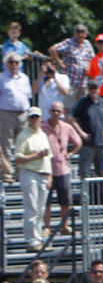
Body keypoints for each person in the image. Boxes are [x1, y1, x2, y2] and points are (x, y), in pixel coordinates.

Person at [14, 107, 51, 250]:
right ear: (28, 119)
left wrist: (49, 175)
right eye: (32, 117)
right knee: (32, 208)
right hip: (29, 173)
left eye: (37, 117)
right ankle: (31, 240)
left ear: (41, 118)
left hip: (42, 173)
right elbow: (17, 158)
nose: (34, 119)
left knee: (41, 208)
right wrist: (36, 155)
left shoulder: (43, 134)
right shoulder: (23, 135)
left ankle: (38, 238)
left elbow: (49, 157)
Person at [41, 102, 81, 234]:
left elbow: (78, 142)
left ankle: (64, 226)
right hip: (46, 169)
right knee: (46, 201)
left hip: (63, 169)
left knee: (65, 200)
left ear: (62, 112)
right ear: (49, 111)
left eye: (58, 111)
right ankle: (47, 226)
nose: (56, 113)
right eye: (53, 111)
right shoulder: (43, 127)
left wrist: (71, 153)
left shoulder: (66, 127)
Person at [68, 78, 103, 182]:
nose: (93, 91)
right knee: (84, 173)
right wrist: (81, 133)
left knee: (101, 171)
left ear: (99, 89)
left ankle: (100, 195)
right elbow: (71, 117)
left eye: (95, 88)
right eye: (91, 88)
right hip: (87, 144)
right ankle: (85, 197)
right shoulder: (82, 103)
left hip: (102, 143)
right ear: (88, 90)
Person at [0, 52, 33, 181]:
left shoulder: (24, 78)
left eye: (17, 62)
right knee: (6, 145)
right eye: (12, 62)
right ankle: (7, 173)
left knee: (22, 144)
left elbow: (28, 95)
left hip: (23, 114)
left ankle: (20, 173)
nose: (14, 65)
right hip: (6, 113)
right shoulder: (2, 78)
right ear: (7, 64)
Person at [48, 23, 94, 102]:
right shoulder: (68, 42)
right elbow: (52, 49)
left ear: (86, 34)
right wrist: (60, 63)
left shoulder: (87, 44)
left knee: (82, 107)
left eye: (82, 32)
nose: (80, 35)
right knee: (69, 107)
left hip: (83, 83)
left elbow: (92, 58)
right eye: (78, 32)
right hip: (70, 82)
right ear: (74, 33)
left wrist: (88, 68)